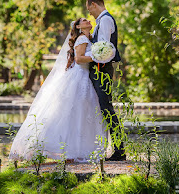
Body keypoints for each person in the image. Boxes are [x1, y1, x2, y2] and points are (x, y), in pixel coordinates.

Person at [9, 18, 109, 163]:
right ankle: (65, 150)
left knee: (80, 114)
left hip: (85, 77)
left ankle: (77, 150)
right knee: (72, 113)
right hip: (79, 77)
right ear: (79, 26)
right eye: (85, 20)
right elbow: (79, 59)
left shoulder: (89, 38)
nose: (89, 20)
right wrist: (96, 57)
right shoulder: (82, 39)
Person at [86, 0, 126, 161]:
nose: (89, 14)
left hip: (102, 70)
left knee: (107, 108)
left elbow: (105, 50)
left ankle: (119, 150)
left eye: (89, 10)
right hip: (99, 69)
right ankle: (112, 148)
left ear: (94, 4)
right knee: (104, 108)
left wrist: (86, 57)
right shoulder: (101, 21)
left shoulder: (106, 20)